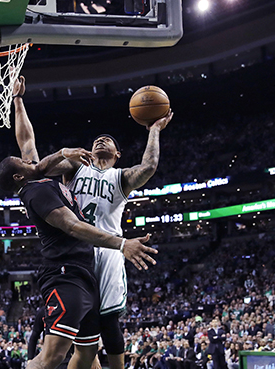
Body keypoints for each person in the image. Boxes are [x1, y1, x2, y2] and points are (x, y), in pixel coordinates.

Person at [12, 75, 172, 369]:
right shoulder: (74, 168)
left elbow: (149, 166)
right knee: (77, 344)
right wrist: (18, 101)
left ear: (118, 154)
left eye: (108, 140)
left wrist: (154, 130)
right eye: (97, 139)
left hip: (109, 253)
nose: (101, 139)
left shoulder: (121, 177)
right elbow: (31, 157)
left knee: (102, 331)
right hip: (76, 255)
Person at [0, 155, 157, 369]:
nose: (29, 160)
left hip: (83, 273)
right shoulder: (37, 192)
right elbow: (71, 226)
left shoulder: (39, 182)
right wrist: (122, 244)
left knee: (87, 354)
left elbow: (27, 139)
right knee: (52, 356)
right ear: (18, 176)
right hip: (65, 274)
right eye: (24, 163)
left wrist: (23, 120)